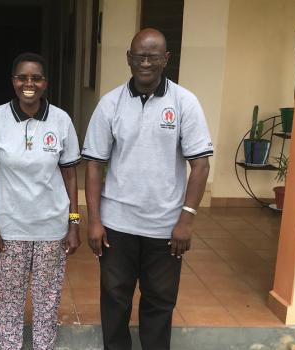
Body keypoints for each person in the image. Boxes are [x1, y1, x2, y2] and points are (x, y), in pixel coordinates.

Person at [82, 28, 213, 350]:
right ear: (128, 58)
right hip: (117, 225)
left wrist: (187, 220)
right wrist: (95, 221)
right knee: (115, 300)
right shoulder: (110, 104)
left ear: (166, 59)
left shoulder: (185, 103)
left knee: (159, 302)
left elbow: (201, 165)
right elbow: (94, 166)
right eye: (139, 55)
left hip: (166, 227)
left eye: (153, 56)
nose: (145, 62)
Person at [0, 52, 81, 350]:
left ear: (45, 82)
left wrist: (74, 224)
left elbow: (71, 176)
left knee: (47, 299)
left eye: (36, 78)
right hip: (10, 228)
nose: (29, 84)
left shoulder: (61, 120)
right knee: (8, 300)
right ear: (12, 81)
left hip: (52, 227)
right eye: (22, 77)